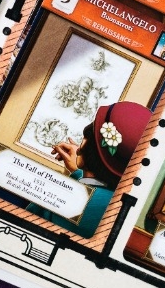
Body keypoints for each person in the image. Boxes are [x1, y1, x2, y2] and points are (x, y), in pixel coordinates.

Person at [31, 101, 152, 235]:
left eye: (86, 137)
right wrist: (78, 171)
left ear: (86, 145)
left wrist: (77, 173)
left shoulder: (63, 195)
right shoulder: (123, 206)